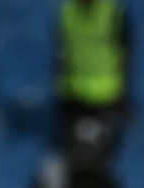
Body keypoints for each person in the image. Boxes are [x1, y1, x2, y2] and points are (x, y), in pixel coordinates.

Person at [55, 0, 131, 154]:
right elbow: (60, 53)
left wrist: (122, 94)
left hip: (106, 96)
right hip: (73, 94)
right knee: (73, 154)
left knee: (102, 154)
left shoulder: (112, 13)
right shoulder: (67, 12)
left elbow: (126, 55)